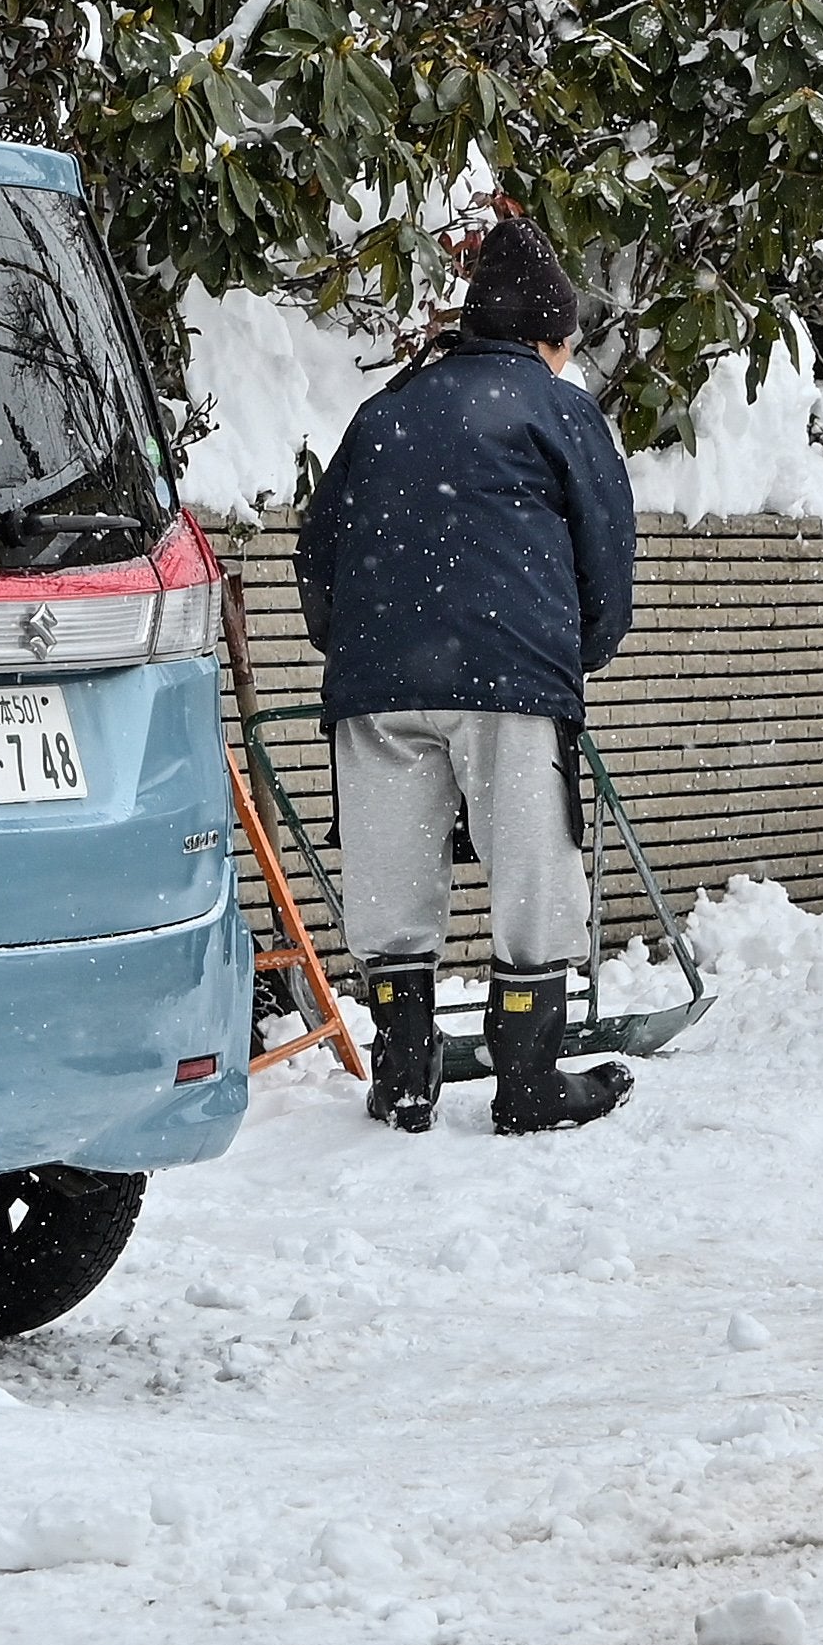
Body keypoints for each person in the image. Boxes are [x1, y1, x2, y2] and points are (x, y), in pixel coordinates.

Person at [294, 212, 641, 1136]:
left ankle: (404, 1076)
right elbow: (605, 551)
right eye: (565, 347)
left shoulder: (386, 409)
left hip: (377, 686)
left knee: (391, 881)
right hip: (510, 676)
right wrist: (579, 654)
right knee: (533, 873)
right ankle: (528, 1081)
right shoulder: (558, 409)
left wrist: (360, 653)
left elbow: (319, 546)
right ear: (546, 337)